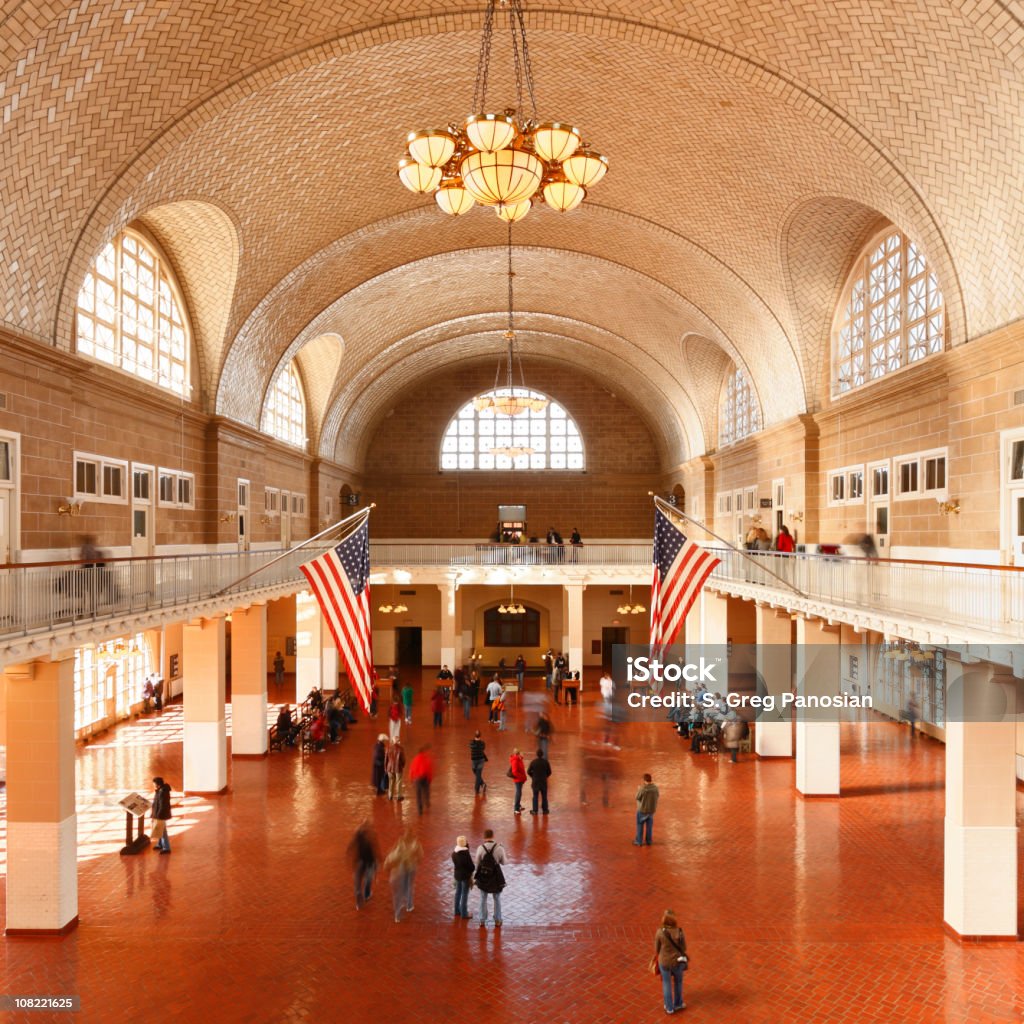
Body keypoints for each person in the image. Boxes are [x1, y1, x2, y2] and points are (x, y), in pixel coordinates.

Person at [384, 828, 423, 923]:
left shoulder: (401, 843)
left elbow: (394, 853)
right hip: (412, 866)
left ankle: (400, 909)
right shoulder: (416, 843)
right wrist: (417, 861)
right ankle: (409, 905)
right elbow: (421, 855)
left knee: (402, 888)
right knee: (409, 885)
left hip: (403, 867)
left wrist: (389, 863)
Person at [654, 909, 688, 1014]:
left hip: (664, 962)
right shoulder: (680, 932)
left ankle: (669, 1007)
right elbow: (684, 948)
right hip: (677, 962)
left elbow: (657, 948)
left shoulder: (660, 932)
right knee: (678, 982)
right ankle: (678, 1003)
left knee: (666, 984)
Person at [474, 829, 507, 928]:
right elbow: (504, 862)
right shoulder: (499, 848)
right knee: (497, 898)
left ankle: (482, 920)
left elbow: (477, 863)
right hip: (496, 876)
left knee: (483, 898)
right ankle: (498, 920)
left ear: (484, 837)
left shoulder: (480, 848)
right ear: (493, 836)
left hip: (484, 876)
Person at [348, 822, 380, 909]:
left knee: (358, 884)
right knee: (368, 879)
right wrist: (376, 863)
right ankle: (366, 894)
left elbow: (350, 849)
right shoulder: (368, 841)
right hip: (369, 863)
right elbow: (374, 854)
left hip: (359, 863)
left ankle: (359, 902)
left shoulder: (357, 841)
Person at [451, 835, 474, 920]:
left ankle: (457, 911)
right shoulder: (465, 854)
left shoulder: (454, 853)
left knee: (458, 893)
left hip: (457, 875)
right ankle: (464, 914)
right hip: (465, 876)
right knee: (464, 894)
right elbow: (472, 867)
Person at [634, 773, 659, 846]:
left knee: (640, 825)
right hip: (651, 810)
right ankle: (649, 841)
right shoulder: (655, 788)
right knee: (649, 827)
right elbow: (657, 796)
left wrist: (639, 789)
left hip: (642, 810)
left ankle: (639, 841)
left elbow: (637, 797)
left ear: (644, 780)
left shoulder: (642, 788)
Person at [409, 745, 434, 816]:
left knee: (418, 794)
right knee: (426, 791)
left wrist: (411, 779)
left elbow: (411, 770)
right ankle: (427, 802)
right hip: (425, 778)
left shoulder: (415, 759)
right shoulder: (426, 759)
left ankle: (420, 810)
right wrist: (430, 778)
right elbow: (429, 770)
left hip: (417, 779)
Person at [151, 776, 172, 853]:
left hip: (161, 814)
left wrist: (158, 816)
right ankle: (160, 844)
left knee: (162, 830)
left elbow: (162, 805)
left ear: (157, 784)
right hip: (159, 813)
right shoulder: (160, 790)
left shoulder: (162, 792)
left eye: (154, 784)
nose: (153, 785)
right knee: (160, 829)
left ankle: (166, 848)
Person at [528, 747, 552, 815]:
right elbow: (550, 772)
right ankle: (545, 810)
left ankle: (535, 811)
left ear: (536, 754)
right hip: (543, 782)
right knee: (544, 796)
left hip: (535, 782)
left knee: (535, 796)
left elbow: (528, 771)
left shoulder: (533, 762)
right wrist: (545, 776)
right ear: (542, 754)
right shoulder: (545, 762)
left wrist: (533, 777)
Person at [509, 746, 527, 814]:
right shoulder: (515, 761)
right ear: (518, 753)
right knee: (518, 793)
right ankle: (516, 809)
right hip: (518, 780)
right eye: (520, 753)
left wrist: (521, 757)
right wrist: (521, 777)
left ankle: (518, 805)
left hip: (520, 779)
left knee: (519, 792)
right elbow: (514, 772)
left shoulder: (518, 759)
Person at [470, 730, 488, 796]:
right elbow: (482, 748)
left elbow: (472, 747)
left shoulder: (472, 743)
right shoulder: (482, 743)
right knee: (477, 774)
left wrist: (476, 741)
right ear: (480, 735)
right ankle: (483, 784)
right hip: (479, 760)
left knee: (477, 775)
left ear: (475, 735)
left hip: (477, 760)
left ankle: (476, 789)